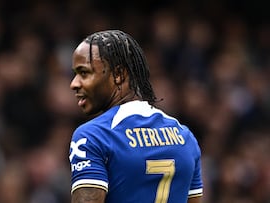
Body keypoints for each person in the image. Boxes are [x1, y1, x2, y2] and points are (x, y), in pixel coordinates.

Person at [68, 30, 203, 203]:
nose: (74, 83)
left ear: (118, 75)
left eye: (84, 73)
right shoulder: (185, 137)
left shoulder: (93, 136)